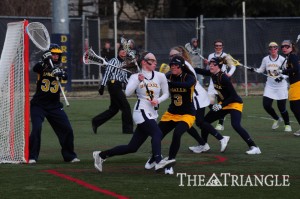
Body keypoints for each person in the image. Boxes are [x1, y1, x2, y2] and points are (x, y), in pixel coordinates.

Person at [92, 52, 175, 172]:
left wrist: (158, 100)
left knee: (132, 147)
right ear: (144, 62)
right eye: (152, 60)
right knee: (157, 133)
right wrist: (138, 81)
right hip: (141, 111)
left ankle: (101, 155)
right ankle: (158, 161)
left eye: (155, 60)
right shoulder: (135, 77)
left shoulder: (160, 76)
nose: (155, 62)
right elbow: (127, 93)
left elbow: (167, 93)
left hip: (152, 113)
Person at [168, 46, 229, 154]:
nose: (172, 57)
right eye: (170, 56)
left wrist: (159, 76)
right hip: (191, 97)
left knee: (197, 122)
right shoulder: (181, 65)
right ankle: (203, 144)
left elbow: (171, 76)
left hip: (196, 97)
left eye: (174, 55)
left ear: (180, 55)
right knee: (188, 122)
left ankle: (220, 139)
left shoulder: (184, 65)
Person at [195, 57, 261, 155]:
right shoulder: (212, 73)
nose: (211, 65)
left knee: (235, 125)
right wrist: (188, 67)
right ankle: (203, 145)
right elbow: (200, 71)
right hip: (224, 103)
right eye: (210, 64)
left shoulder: (223, 77)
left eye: (214, 64)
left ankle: (254, 147)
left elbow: (233, 96)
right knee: (205, 122)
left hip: (234, 103)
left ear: (219, 66)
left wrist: (221, 106)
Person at [29, 44, 80, 164]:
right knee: (36, 128)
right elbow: (36, 68)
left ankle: (69, 156)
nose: (56, 56)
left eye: (57, 54)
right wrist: (45, 60)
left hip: (54, 106)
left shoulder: (60, 68)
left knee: (67, 129)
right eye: (53, 54)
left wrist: (60, 73)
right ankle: (32, 156)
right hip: (38, 105)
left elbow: (65, 76)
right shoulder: (42, 66)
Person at [248, 42, 291, 132]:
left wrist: (281, 78)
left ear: (277, 49)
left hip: (281, 87)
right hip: (270, 86)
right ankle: (277, 118)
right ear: (269, 50)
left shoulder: (282, 59)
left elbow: (288, 72)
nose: (273, 50)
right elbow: (261, 70)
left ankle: (287, 124)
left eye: (275, 48)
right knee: (266, 105)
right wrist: (254, 70)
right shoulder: (265, 59)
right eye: (271, 48)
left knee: (281, 107)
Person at [92, 45, 134, 134]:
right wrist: (102, 86)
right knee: (126, 107)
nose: (123, 51)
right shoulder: (113, 61)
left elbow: (124, 78)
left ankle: (96, 121)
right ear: (118, 52)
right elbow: (107, 73)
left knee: (114, 109)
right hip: (113, 84)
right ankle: (128, 130)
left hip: (118, 86)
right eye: (121, 50)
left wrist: (133, 85)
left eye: (124, 50)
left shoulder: (124, 64)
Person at [206, 39, 236, 131]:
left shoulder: (226, 56)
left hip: (222, 83)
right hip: (213, 82)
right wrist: (207, 64)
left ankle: (220, 123)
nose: (218, 47)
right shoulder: (211, 55)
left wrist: (229, 74)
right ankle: (221, 114)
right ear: (214, 47)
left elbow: (233, 66)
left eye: (220, 46)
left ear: (222, 47)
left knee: (221, 103)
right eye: (216, 46)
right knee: (209, 102)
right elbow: (209, 68)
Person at [280, 40, 300, 136]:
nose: (284, 48)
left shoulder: (293, 56)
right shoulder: (289, 57)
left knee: (294, 107)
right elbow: (291, 72)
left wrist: (284, 71)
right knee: (296, 107)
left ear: (291, 47)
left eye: (286, 46)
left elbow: (296, 69)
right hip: (294, 84)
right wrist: (282, 74)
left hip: (297, 85)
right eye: (282, 47)